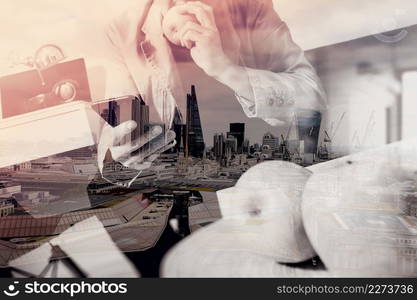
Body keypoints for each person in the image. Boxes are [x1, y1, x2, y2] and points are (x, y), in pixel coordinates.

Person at [101, 0, 326, 171]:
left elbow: (313, 100)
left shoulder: (250, 6)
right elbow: (116, 126)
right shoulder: (123, 31)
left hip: (262, 167)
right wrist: (120, 150)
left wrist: (224, 68)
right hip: (183, 182)